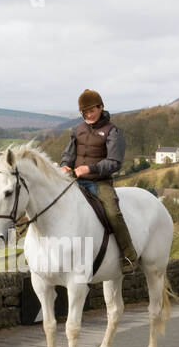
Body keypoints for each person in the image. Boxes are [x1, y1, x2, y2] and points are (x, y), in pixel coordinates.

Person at [59, 89, 139, 273]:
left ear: (101, 107)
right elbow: (69, 154)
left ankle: (129, 256)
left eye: (91, 110)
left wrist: (90, 169)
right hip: (76, 181)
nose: (88, 114)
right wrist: (65, 165)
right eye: (84, 112)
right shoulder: (77, 129)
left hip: (100, 183)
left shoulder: (112, 131)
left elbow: (114, 162)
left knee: (113, 214)